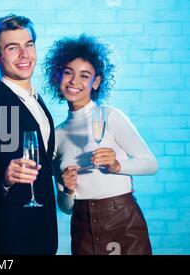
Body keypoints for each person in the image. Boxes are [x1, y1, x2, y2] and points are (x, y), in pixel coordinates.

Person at [44, 34, 158, 255]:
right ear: (58, 76)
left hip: (122, 220)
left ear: (96, 82)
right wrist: (67, 190)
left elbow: (151, 164)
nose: (74, 81)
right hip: (82, 225)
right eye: (68, 73)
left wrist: (117, 166)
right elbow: (66, 208)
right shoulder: (56, 135)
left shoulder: (110, 116)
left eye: (84, 75)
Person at [0, 14, 58, 255]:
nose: (24, 54)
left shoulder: (37, 100)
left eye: (28, 45)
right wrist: (5, 177)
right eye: (12, 48)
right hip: (11, 236)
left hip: (44, 232)